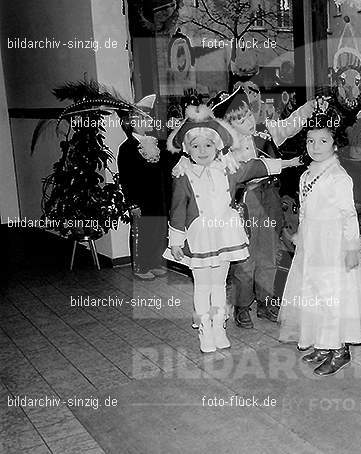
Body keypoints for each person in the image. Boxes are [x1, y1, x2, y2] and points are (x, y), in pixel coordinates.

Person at [163, 104, 301, 352]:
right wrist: (175, 241)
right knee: (203, 284)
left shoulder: (228, 168)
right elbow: (178, 210)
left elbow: (256, 167)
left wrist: (290, 162)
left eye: (208, 145)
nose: (202, 151)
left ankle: (219, 326)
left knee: (218, 283)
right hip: (200, 236)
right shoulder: (184, 175)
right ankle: (205, 328)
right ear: (187, 149)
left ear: (217, 146)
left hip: (225, 234)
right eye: (195, 146)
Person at [278, 100, 361, 376]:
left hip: (333, 245)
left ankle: (338, 349)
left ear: (335, 145)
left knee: (331, 295)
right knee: (313, 292)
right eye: (310, 141)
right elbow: (306, 211)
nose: (315, 146)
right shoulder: (307, 174)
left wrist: (351, 247)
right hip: (312, 244)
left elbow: (348, 215)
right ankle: (321, 343)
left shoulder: (338, 177)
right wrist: (300, 232)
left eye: (323, 140)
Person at [210, 86, 316, 328]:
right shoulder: (225, 149)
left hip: (269, 196)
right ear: (228, 125)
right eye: (239, 119)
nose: (247, 120)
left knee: (269, 254)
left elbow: (291, 124)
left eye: (247, 114)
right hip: (246, 202)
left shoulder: (265, 131)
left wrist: (308, 108)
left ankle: (266, 302)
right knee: (245, 258)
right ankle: (242, 305)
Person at [117, 96, 168, 280]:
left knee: (157, 231)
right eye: (145, 118)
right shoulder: (127, 148)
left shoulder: (154, 143)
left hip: (157, 197)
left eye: (149, 117)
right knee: (142, 232)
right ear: (132, 122)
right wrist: (132, 203)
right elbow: (126, 179)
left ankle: (154, 262)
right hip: (141, 200)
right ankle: (140, 266)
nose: (149, 121)